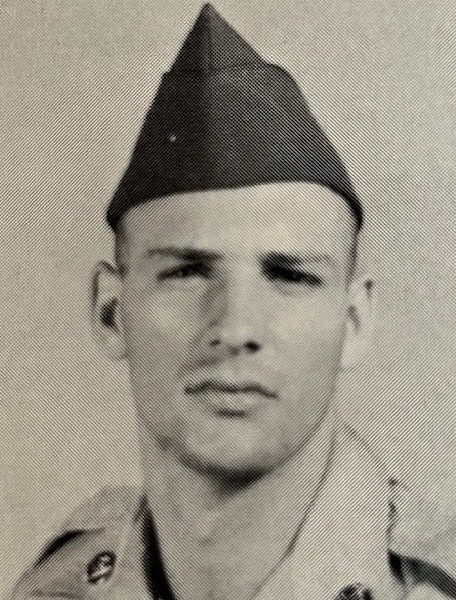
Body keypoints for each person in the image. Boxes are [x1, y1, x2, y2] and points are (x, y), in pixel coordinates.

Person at [10, 4, 456, 600]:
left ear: (353, 321)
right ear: (111, 313)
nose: (236, 326)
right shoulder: (53, 590)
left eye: (291, 276)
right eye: (188, 271)